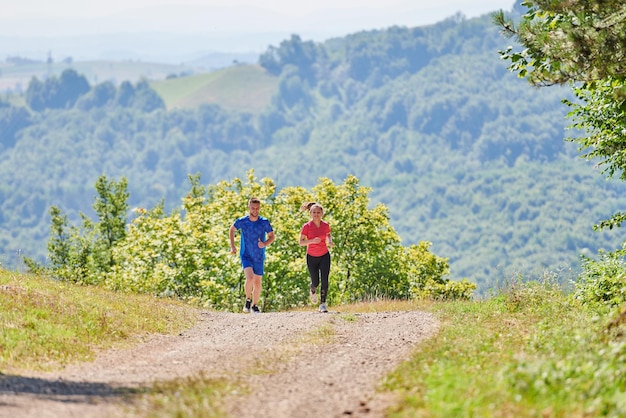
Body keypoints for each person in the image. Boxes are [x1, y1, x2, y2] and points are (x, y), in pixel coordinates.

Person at [229, 197, 275, 313]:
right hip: (246, 254)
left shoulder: (264, 222)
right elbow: (232, 230)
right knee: (250, 278)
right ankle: (248, 299)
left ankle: (255, 305)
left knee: (257, 282)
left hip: (259, 256)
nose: (255, 210)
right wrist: (233, 246)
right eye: (253, 208)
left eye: (257, 208)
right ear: (248, 207)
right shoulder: (242, 221)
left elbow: (272, 236)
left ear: (259, 208)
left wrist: (264, 244)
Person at [299, 202, 334, 313]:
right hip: (312, 257)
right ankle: (313, 289)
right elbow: (301, 242)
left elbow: (328, 234)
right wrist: (311, 241)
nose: (316, 214)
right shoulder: (306, 226)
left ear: (322, 213)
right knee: (316, 281)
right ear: (310, 213)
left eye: (318, 212)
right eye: (314, 212)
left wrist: (330, 241)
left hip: (324, 255)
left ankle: (323, 304)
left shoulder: (325, 225)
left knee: (325, 280)